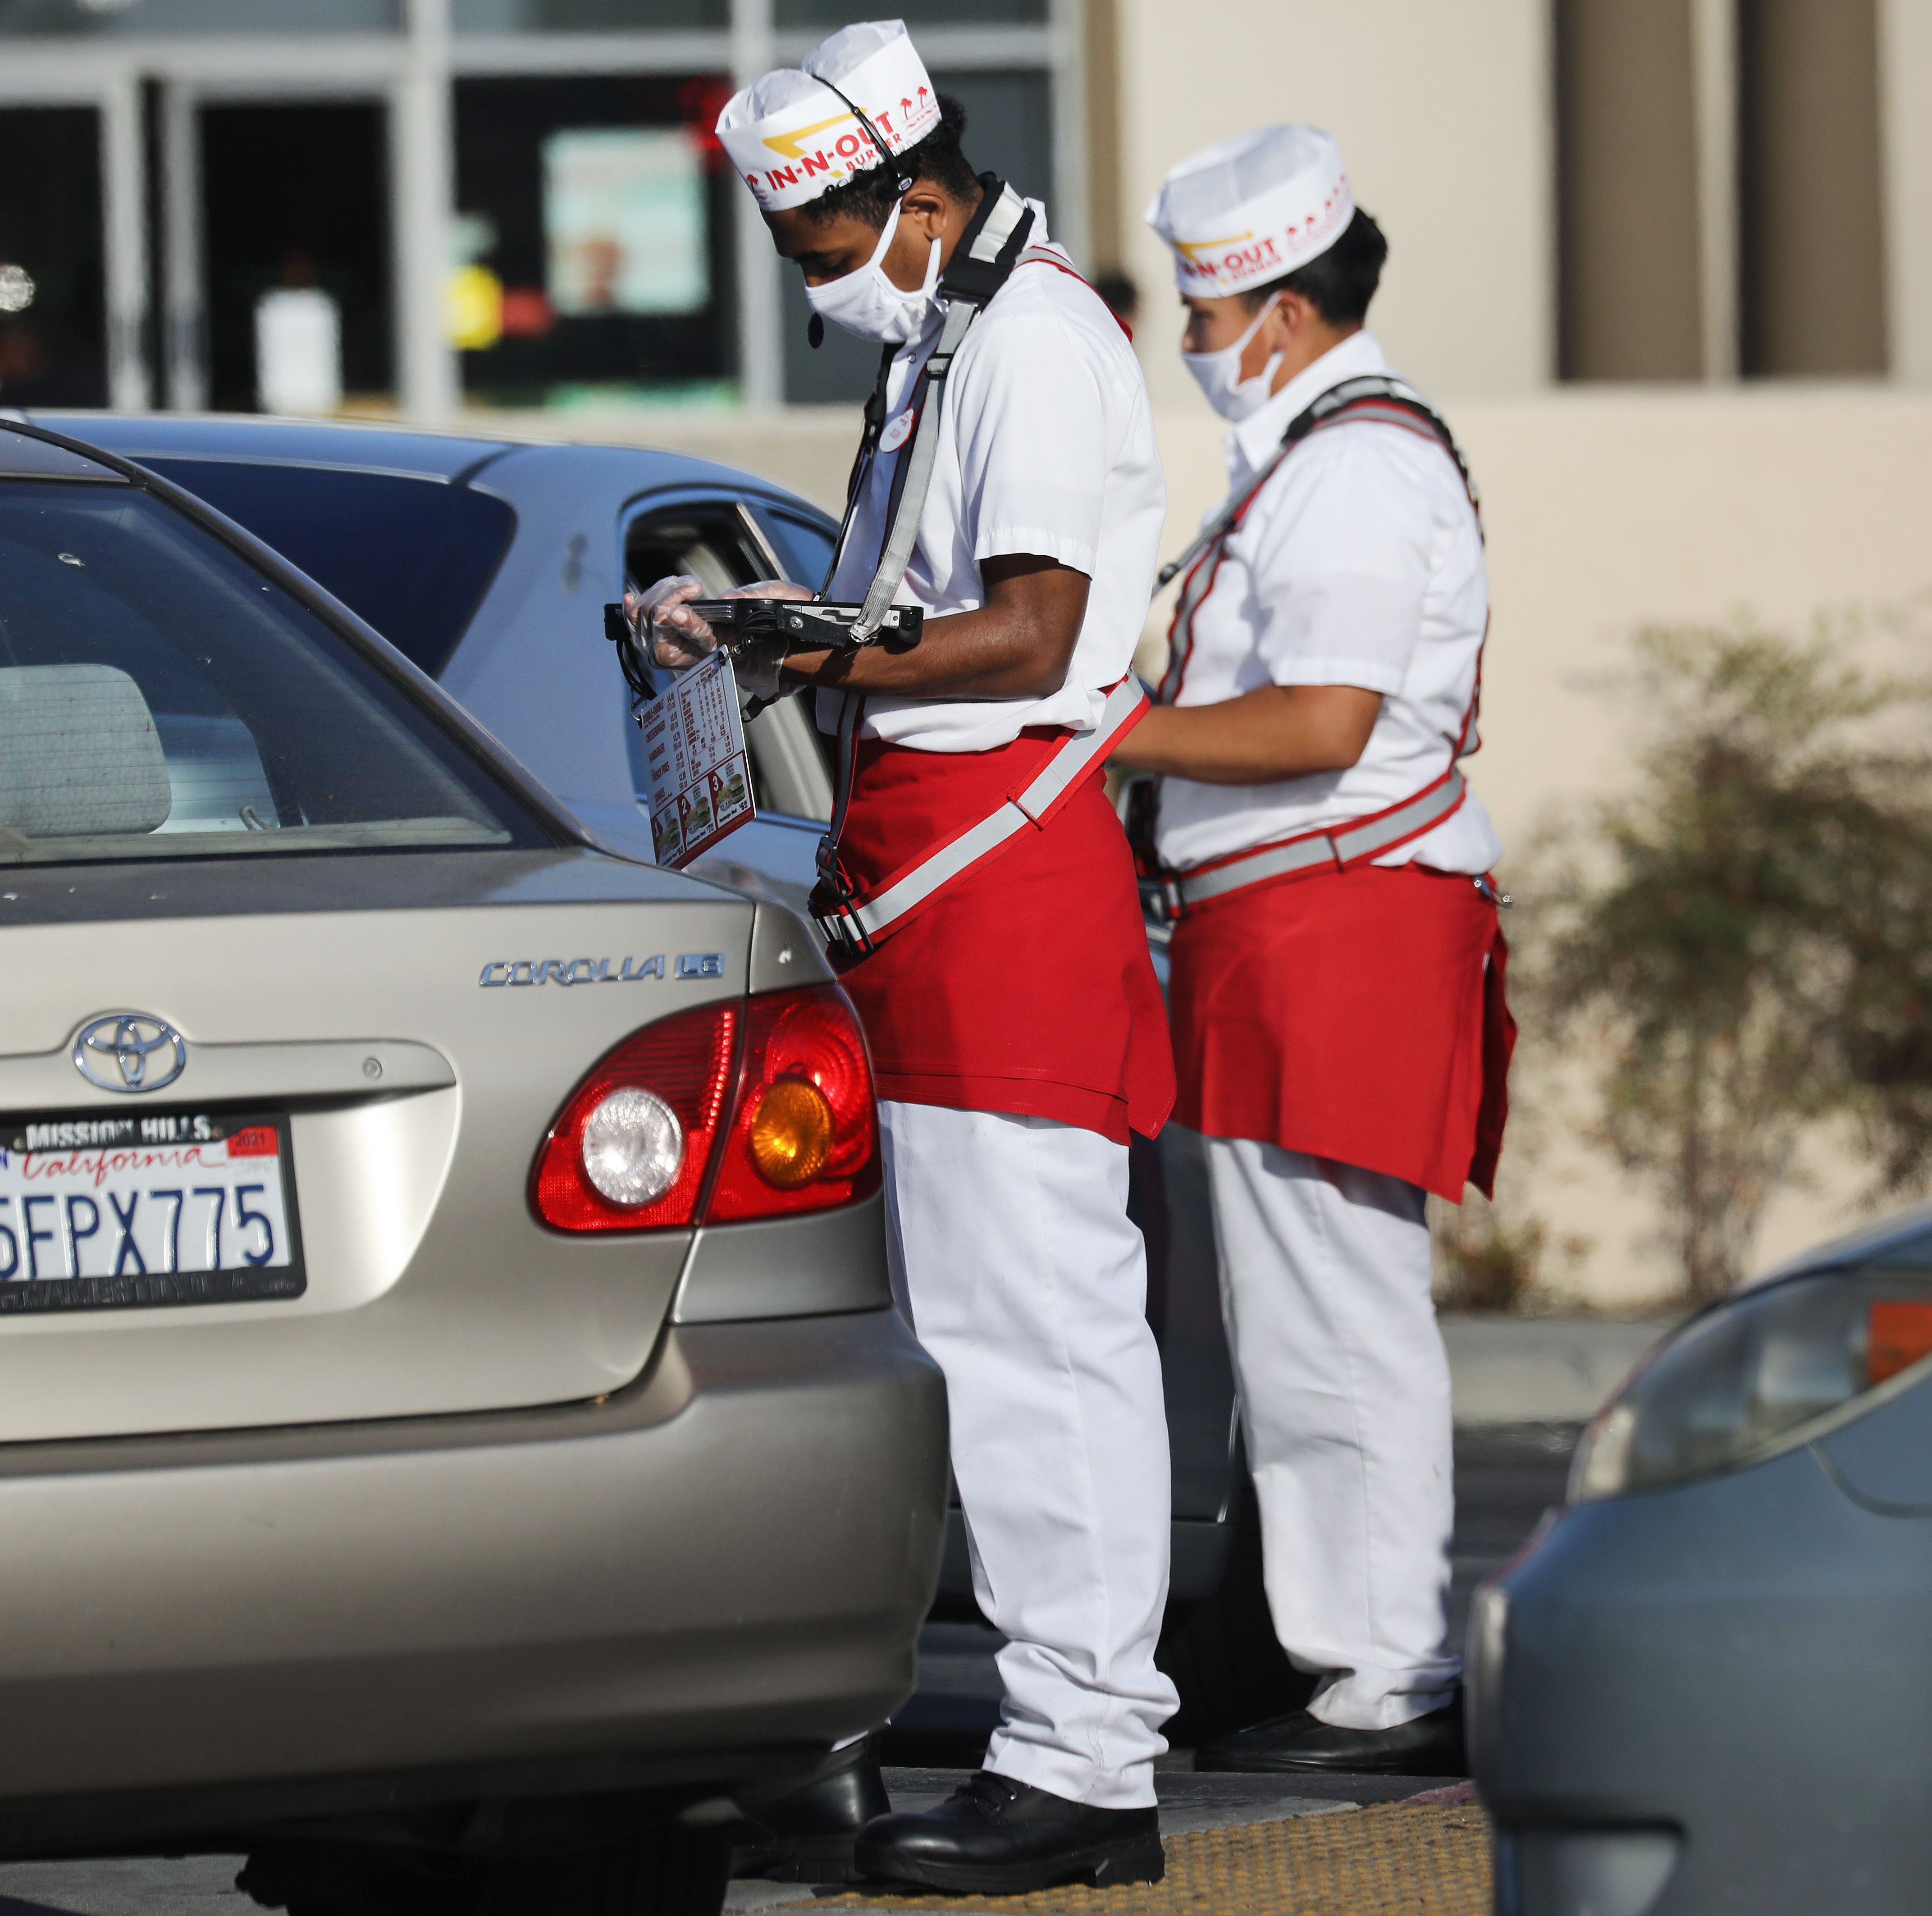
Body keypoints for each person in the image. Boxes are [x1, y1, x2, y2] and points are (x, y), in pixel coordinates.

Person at [629, 18, 1176, 1894]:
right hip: (934, 878)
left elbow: (1024, 636)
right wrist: (777, 621)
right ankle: (1062, 1737)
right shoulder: (964, 329)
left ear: (918, 197)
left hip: (996, 884)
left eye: (822, 248)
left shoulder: (1035, 342)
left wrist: (805, 655)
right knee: (988, 1332)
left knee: (1041, 1339)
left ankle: (1086, 1756)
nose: (816, 289)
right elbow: (922, 612)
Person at [1111, 123, 1512, 1776]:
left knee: (1336, 1316)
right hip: (1299, 924)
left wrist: (1112, 738)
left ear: (1276, 308)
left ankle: (1390, 1675)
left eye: (1206, 320)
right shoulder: (1316, 448)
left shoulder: (1352, 464)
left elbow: (1323, 718)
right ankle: (1351, 1656)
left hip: (1336, 918)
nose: (1195, 350)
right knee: (1304, 1317)